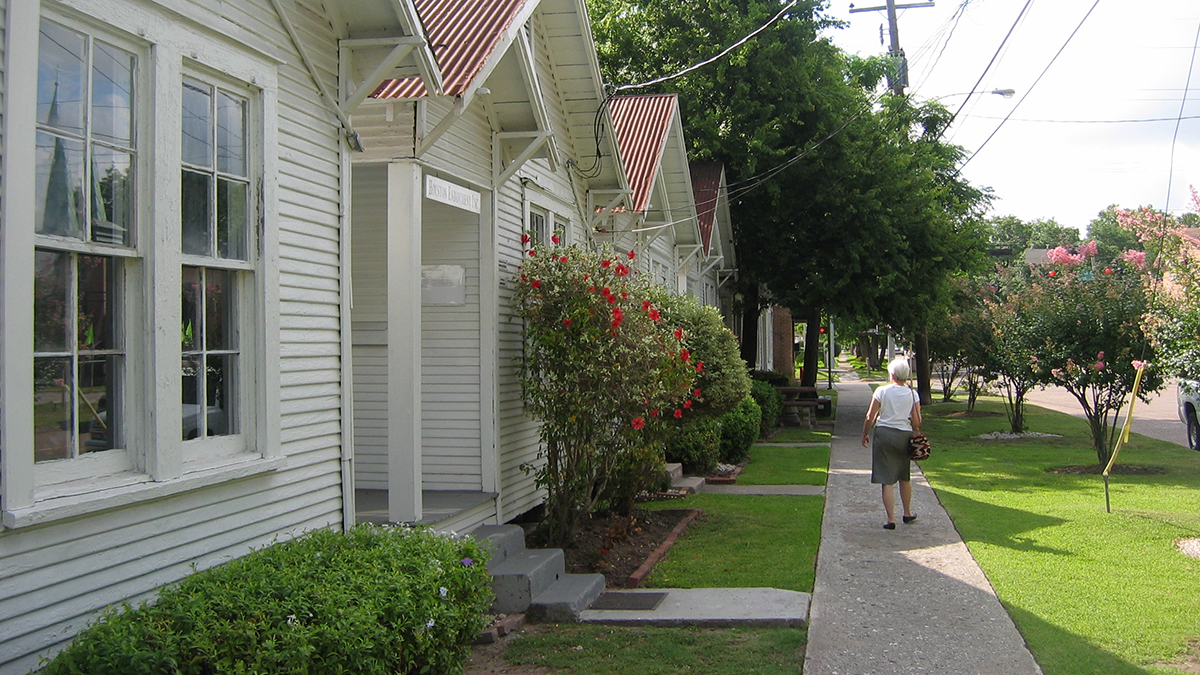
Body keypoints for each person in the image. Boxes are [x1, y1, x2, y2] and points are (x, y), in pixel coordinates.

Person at [861, 357, 923, 529]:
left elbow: (870, 416)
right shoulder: (913, 393)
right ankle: (908, 512)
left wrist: (865, 433)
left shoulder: (882, 391)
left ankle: (890, 519)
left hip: (884, 434)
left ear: (892, 374)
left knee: (886, 478)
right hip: (904, 435)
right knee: (904, 476)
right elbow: (918, 421)